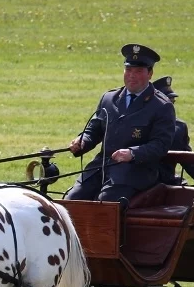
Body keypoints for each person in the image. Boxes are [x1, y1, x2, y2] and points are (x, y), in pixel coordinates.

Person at [64, 44, 175, 206]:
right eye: (128, 70)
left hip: (135, 172)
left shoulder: (161, 106)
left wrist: (132, 153)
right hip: (101, 168)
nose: (132, 76)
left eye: (138, 71)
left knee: (105, 204)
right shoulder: (109, 98)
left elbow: (161, 145)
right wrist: (83, 140)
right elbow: (94, 129)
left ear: (150, 73)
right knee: (71, 200)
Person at [153, 76, 194, 186]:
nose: (170, 109)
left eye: (172, 104)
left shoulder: (178, 128)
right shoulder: (139, 123)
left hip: (167, 184)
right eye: (166, 104)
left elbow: (188, 160)